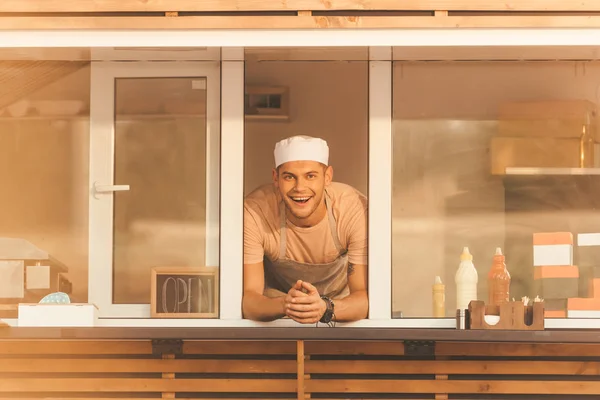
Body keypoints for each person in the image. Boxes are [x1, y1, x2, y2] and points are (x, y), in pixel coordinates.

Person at [242, 135, 368, 324]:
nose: (300, 188)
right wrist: (288, 305)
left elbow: (363, 299)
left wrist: (325, 307)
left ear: (327, 177)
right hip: (278, 312)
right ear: (276, 178)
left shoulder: (353, 209)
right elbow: (249, 302)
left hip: (340, 310)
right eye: (289, 177)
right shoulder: (256, 210)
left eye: (310, 176)